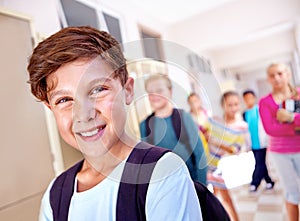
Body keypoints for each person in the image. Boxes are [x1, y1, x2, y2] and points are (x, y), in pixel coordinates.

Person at [27, 26, 202, 221]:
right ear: (51, 109)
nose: (83, 115)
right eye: (64, 100)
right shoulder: (54, 197)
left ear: (127, 91)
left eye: (98, 89)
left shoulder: (163, 173)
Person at [139, 74, 208, 185]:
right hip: (164, 187)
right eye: (150, 92)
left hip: (191, 183)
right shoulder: (144, 125)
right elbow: (148, 162)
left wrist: (202, 188)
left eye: (159, 90)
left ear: (170, 92)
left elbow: (200, 154)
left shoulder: (183, 117)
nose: (155, 95)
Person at [259, 62, 300, 221]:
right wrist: (296, 128)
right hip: (280, 153)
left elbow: (278, 127)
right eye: (272, 75)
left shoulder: (298, 94)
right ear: (268, 79)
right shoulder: (265, 102)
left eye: (280, 73)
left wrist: (290, 118)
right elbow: (271, 129)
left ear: (288, 74)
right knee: (291, 193)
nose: (276, 78)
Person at [205, 91, 250, 221]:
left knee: (224, 198)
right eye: (229, 105)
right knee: (214, 196)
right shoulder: (214, 121)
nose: (233, 108)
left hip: (223, 167)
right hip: (208, 163)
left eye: (236, 104)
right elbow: (204, 136)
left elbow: (235, 149)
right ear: (223, 105)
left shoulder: (242, 126)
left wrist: (216, 143)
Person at [242, 89, 275, 192]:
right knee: (261, 163)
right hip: (252, 143)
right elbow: (244, 130)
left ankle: (254, 183)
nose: (248, 100)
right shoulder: (244, 114)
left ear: (254, 98)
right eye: (246, 99)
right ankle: (269, 181)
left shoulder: (260, 109)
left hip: (262, 142)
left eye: (250, 98)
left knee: (259, 163)